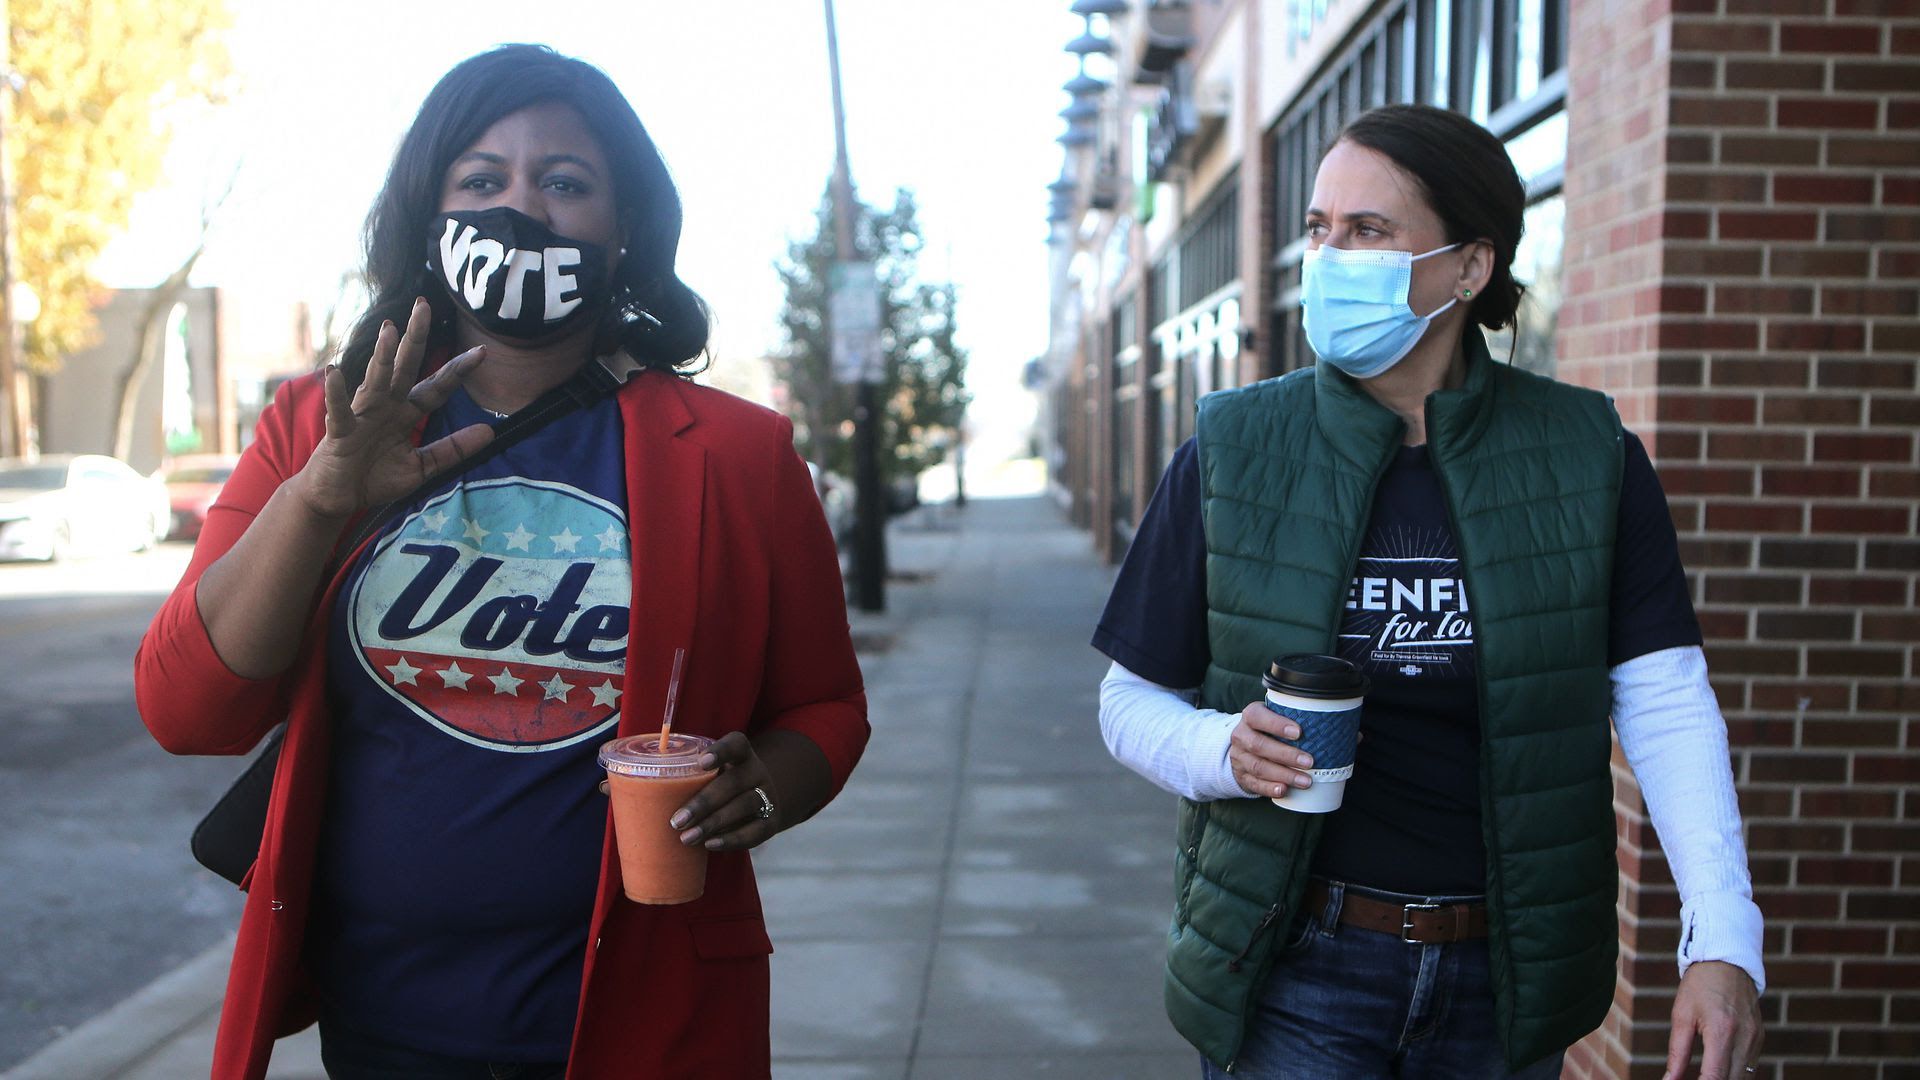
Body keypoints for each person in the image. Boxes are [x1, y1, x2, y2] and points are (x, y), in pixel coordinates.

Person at [135, 44, 868, 1080]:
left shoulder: (740, 456)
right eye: (482, 180)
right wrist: (321, 499)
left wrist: (770, 789)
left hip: (652, 1019)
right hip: (382, 1023)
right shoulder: (319, 424)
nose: (521, 209)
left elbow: (826, 705)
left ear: (623, 233)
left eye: (565, 183)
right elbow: (187, 712)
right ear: (429, 220)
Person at [1092, 104, 1764, 1080]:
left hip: (1503, 982)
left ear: (1467, 267)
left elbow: (1666, 707)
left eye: (1369, 231)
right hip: (1297, 968)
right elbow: (1126, 702)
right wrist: (1221, 750)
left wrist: (1722, 937)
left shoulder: (1585, 458)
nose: (1330, 256)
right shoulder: (1233, 453)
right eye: (1320, 229)